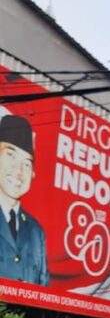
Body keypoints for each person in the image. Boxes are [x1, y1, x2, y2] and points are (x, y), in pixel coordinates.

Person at [0, 112, 49, 285]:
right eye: (10, 155)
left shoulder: (36, 232)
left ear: (33, 173)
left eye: (27, 164)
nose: (18, 171)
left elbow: (44, 290)